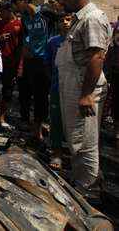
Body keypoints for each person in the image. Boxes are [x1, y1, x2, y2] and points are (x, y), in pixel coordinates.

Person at [57, 0, 111, 200]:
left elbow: (97, 57)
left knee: (85, 142)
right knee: (75, 139)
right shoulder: (79, 20)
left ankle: (89, 191)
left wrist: (87, 94)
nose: (61, 2)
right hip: (75, 86)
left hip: (84, 89)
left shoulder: (92, 19)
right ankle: (82, 181)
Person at [11, 0, 51, 140]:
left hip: (44, 61)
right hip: (30, 60)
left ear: (22, 1)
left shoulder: (46, 13)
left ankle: (39, 129)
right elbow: (27, 36)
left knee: (41, 96)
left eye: (16, 4)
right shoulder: (25, 18)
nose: (16, 8)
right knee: (27, 93)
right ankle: (32, 125)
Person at [45, 12, 73, 170]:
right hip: (57, 87)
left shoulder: (77, 40)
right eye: (62, 20)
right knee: (56, 120)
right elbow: (48, 64)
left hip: (74, 87)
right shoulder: (53, 42)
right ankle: (57, 153)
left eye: (68, 19)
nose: (65, 22)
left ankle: (72, 153)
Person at [0, 0, 23, 129]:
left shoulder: (19, 25)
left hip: (11, 64)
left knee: (7, 91)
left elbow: (21, 46)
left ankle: (2, 117)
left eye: (1, 11)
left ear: (9, 11)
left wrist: (19, 66)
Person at [104, 27, 119, 147]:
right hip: (115, 79)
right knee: (115, 105)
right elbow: (108, 62)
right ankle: (116, 133)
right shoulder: (113, 48)